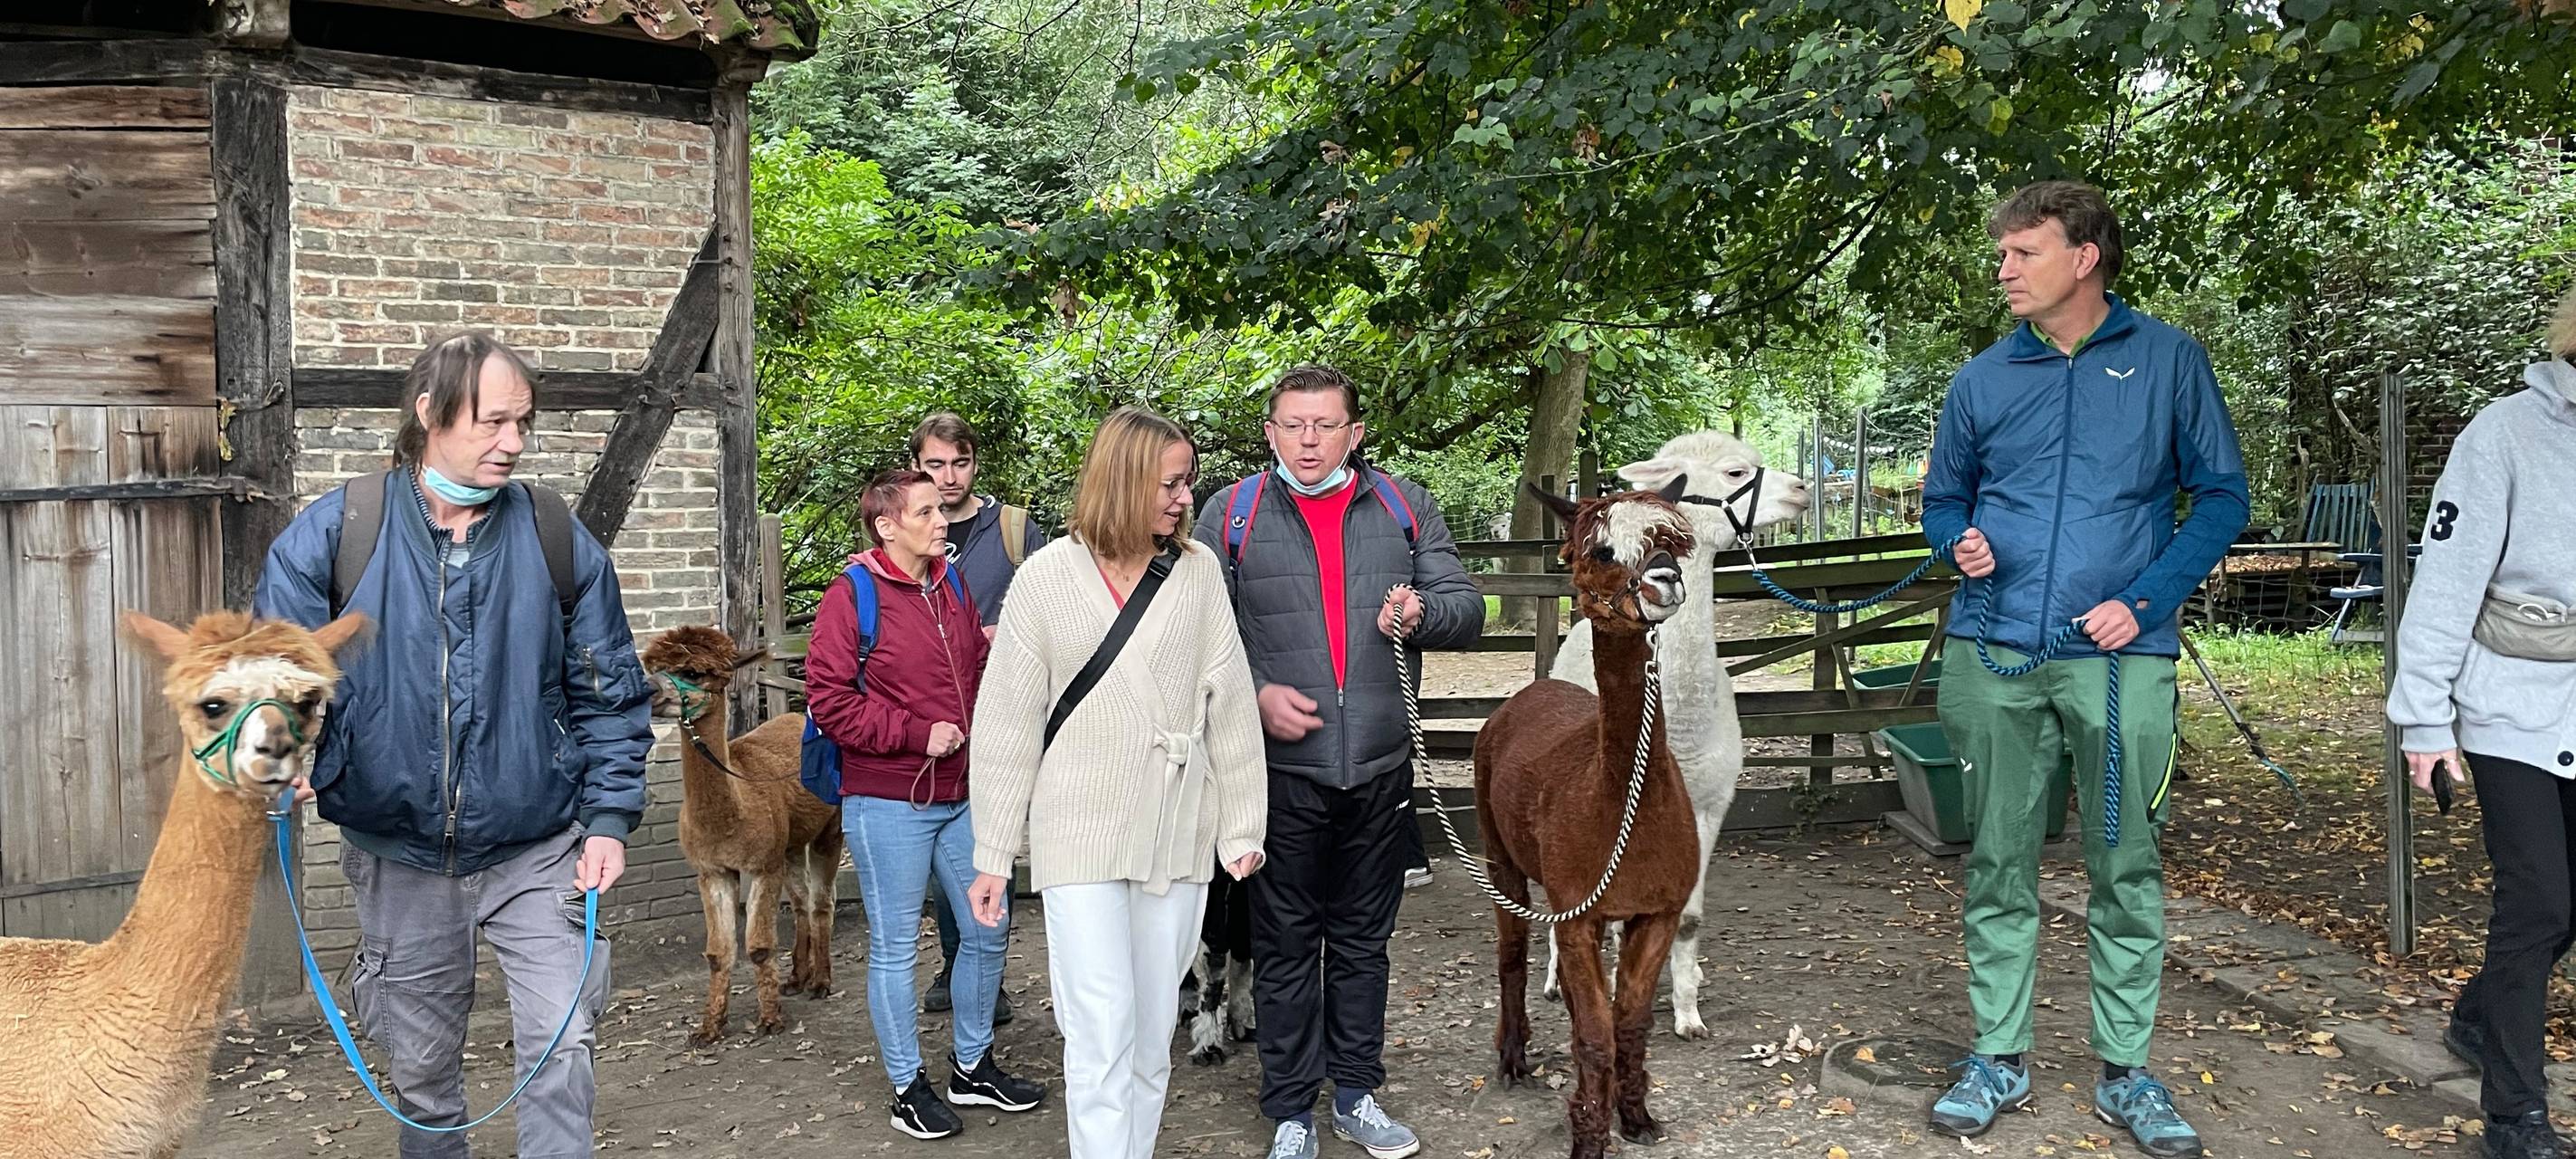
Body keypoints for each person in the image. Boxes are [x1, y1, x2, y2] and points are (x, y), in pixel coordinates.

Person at [253, 330, 651, 1159]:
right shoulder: (339, 532)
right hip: (400, 857)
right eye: (494, 421)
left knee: (560, 1046)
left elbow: (609, 694)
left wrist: (609, 818)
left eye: (523, 423)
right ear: (429, 413)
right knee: (423, 1076)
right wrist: (286, 754)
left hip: (539, 847)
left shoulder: (555, 537)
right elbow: (277, 674)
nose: (514, 442)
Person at [1919, 181, 2247, 1159]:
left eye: (2022, 252)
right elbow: (1943, 502)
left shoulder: (2165, 361)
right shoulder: (1980, 379)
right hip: (1995, 650)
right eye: (2002, 254)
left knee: (2124, 863)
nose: (2003, 270)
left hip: (2118, 657)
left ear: (2084, 256)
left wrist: (2143, 599)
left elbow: (2221, 497)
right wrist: (1959, 541)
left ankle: (2125, 1069)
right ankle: (1998, 1055)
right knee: (1997, 857)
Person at [1194, 366, 1484, 1159]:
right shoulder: (1233, 514)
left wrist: (1424, 611)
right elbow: (1197, 637)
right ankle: (1290, 1111)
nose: (1309, 440)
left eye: (1325, 425)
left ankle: (1356, 1095)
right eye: (1293, 425)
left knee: (1362, 945)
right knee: (1286, 949)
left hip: (1381, 769)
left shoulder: (1402, 504)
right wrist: (1255, 696)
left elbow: (1468, 609)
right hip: (1279, 777)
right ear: (1271, 433)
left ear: (1355, 433)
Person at [966, 406, 1267, 1159]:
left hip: (1177, 826)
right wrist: (994, 851)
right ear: (1125, 481)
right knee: (1099, 1025)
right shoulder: (1043, 580)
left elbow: (1228, 703)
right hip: (1079, 831)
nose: (1183, 498)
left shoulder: (1196, 574)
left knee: (1146, 1031)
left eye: (1188, 482)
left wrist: (1243, 826)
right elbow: (1006, 725)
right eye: (1170, 483)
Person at [2390, 286, 2576, 1159]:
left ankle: (2476, 1015)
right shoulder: (2504, 434)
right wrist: (2424, 718)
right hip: (2510, 705)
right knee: (2537, 900)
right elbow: (2446, 583)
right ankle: (2515, 1115)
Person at [806, 468, 1045, 1141]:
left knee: (987, 929)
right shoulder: (851, 596)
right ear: (887, 526)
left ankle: (971, 1069)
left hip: (964, 795)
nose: (943, 522)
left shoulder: (951, 583)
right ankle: (908, 1087)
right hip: (890, 802)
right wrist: (916, 734)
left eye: (942, 511)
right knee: (894, 948)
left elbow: (966, 673)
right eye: (927, 513)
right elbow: (829, 702)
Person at [909, 412, 1047, 1021]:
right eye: (935, 465)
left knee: (993, 846)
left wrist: (1003, 637)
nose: (948, 477)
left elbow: (1055, 607)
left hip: (1007, 711)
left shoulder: (1014, 530)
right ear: (918, 467)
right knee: (947, 851)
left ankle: (986, 975)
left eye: (959, 463)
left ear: (976, 464)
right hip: (936, 721)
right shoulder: (905, 533)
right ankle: (955, 960)